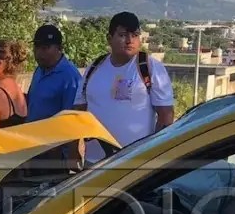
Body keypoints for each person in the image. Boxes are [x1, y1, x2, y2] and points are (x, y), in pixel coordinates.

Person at [74, 11, 174, 160]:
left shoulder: (150, 68)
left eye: (135, 35)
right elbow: (77, 113)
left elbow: (166, 115)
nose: (129, 40)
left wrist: (155, 156)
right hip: (94, 162)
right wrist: (73, 151)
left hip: (135, 164)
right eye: (122, 35)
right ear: (109, 39)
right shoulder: (94, 68)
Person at [26, 24, 83, 122]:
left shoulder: (70, 77)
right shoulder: (39, 70)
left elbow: (70, 118)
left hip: (53, 135)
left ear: (59, 48)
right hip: (31, 134)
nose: (39, 52)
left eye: (45, 48)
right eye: (36, 47)